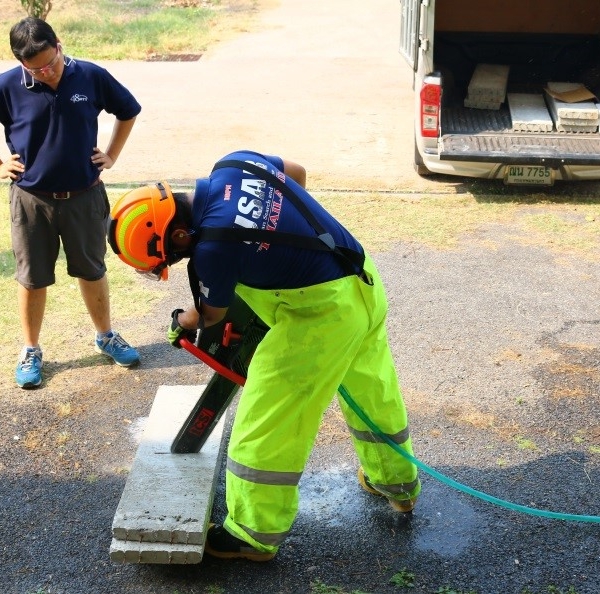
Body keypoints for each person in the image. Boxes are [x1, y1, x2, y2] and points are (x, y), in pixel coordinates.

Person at [108, 149, 421, 561]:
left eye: (170, 255)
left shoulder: (212, 249)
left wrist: (181, 320)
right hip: (359, 280)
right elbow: (297, 173)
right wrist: (277, 247)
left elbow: (209, 315)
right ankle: (397, 486)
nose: (176, 260)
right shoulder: (235, 164)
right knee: (372, 392)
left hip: (319, 318)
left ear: (180, 235)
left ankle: (252, 533)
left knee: (268, 417)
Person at [0, 17, 142, 389]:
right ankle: (31, 350)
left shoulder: (90, 76)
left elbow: (128, 110)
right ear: (21, 63)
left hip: (84, 196)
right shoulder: (7, 86)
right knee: (32, 278)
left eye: (51, 62)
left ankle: (106, 336)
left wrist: (111, 155)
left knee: (92, 270)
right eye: (36, 69)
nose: (47, 72)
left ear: (59, 44)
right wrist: (1, 163)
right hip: (31, 200)